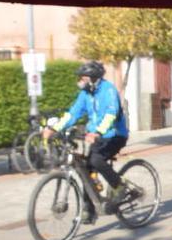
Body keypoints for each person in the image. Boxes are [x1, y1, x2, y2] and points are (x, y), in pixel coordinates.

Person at [44, 60, 130, 223]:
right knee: (85, 168)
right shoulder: (86, 94)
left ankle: (119, 186)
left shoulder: (108, 90)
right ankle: (89, 210)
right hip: (96, 136)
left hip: (115, 135)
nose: (80, 82)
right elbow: (73, 114)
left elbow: (111, 114)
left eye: (83, 79)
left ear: (94, 79)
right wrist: (54, 129)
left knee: (96, 160)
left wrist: (97, 132)